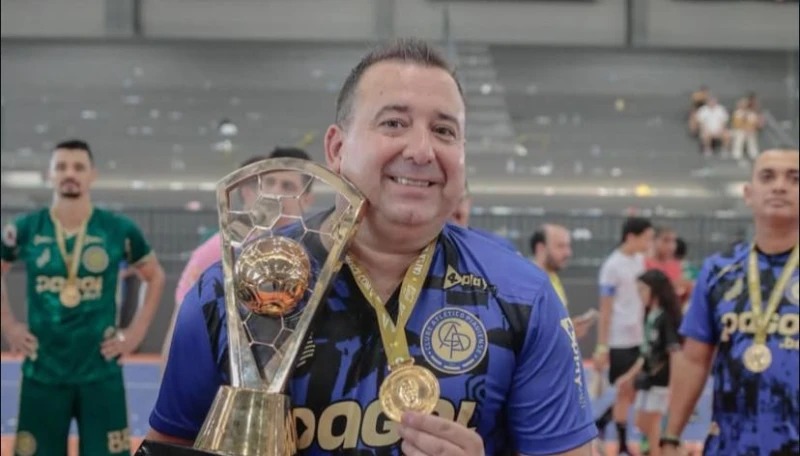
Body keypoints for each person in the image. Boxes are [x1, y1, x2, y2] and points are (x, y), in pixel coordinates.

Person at [145, 39, 597, 454]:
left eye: (444, 131)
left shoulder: (522, 297)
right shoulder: (232, 293)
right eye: (394, 123)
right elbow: (168, 444)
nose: (422, 150)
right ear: (337, 148)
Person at [0, 139, 165, 456]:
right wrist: (8, 325)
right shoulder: (25, 228)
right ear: (49, 174)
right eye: (61, 167)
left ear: (92, 175)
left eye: (78, 167)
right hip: (43, 370)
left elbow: (154, 276)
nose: (70, 174)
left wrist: (136, 333)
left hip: (100, 370)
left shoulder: (117, 229)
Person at [662, 148, 799, 456]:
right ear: (749, 194)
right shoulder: (719, 270)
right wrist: (670, 437)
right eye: (768, 177)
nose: (780, 186)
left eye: (794, 179)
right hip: (731, 446)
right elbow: (694, 361)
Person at [164, 148, 315, 364]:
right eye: (269, 182)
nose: (276, 192)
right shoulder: (222, 247)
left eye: (287, 186)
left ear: (307, 199)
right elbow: (180, 325)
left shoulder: (316, 254)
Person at [593, 216, 655, 455]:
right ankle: (620, 442)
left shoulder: (639, 260)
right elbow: (606, 308)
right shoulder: (612, 266)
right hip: (619, 338)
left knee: (632, 391)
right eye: (646, 238)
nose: (649, 243)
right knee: (624, 390)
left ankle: (603, 421)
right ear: (631, 237)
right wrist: (602, 346)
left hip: (638, 335)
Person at [615, 269, 682, 456]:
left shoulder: (665, 318)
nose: (640, 295)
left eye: (643, 290)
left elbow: (674, 353)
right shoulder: (649, 315)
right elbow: (645, 354)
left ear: (656, 290)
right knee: (642, 422)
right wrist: (629, 376)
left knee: (652, 423)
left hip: (662, 380)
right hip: (648, 379)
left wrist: (674, 387)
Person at [530, 224, 596, 339]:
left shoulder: (553, 277)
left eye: (568, 246)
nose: (568, 253)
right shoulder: (529, 283)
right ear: (540, 248)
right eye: (560, 246)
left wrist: (570, 329)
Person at [449, 180, 517, 252]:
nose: (449, 210)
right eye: (443, 203)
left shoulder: (499, 247)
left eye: (458, 200)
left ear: (469, 202)